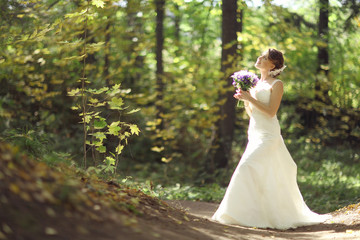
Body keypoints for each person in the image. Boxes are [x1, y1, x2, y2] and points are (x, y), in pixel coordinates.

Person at [211, 48, 331, 229]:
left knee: (246, 166)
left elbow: (270, 111)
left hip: (269, 135)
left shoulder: (277, 84)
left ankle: (235, 213)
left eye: (264, 57)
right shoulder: (256, 84)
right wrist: (245, 98)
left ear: (273, 64)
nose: (259, 58)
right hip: (255, 133)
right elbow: (252, 114)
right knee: (263, 174)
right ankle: (255, 214)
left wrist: (250, 99)